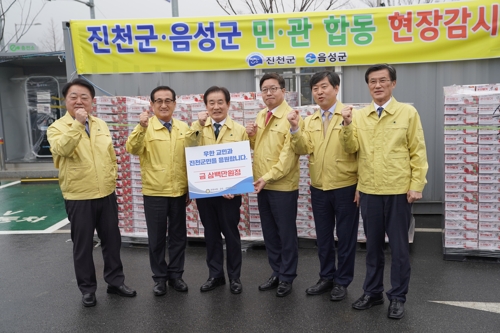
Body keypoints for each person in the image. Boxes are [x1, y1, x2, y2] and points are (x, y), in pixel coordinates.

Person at [340, 64, 428, 319]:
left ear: (393, 83)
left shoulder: (407, 112)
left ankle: (398, 296)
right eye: (372, 81)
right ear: (368, 85)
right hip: (369, 191)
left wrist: (416, 185)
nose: (377, 85)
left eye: (382, 81)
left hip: (398, 191)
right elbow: (351, 149)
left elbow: (418, 150)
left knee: (400, 248)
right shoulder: (358, 115)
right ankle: (373, 292)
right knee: (373, 247)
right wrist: (346, 125)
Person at [47, 78, 136, 307]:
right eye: (73, 97)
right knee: (83, 246)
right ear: (65, 101)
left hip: (106, 193)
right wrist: (77, 123)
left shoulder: (101, 124)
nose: (79, 101)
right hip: (79, 195)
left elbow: (110, 155)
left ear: (92, 101)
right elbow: (62, 149)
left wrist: (113, 176)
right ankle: (87, 289)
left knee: (111, 241)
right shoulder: (57, 127)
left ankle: (115, 282)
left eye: (84, 97)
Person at [287, 71, 359, 301]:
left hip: (346, 185)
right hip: (319, 186)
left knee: (346, 237)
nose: (319, 92)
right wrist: (296, 129)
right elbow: (302, 149)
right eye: (315, 88)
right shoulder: (310, 119)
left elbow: (354, 149)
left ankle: (342, 281)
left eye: (324, 87)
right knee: (324, 237)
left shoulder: (351, 115)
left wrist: (347, 124)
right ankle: (326, 276)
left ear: (336, 88)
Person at [126, 86, 190, 296]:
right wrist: (141, 127)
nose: (164, 105)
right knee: (156, 239)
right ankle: (159, 278)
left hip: (179, 192)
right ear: (151, 105)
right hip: (155, 192)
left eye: (168, 101)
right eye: (159, 101)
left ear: (174, 103)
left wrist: (191, 187)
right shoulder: (145, 127)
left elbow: (191, 158)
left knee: (178, 237)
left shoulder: (183, 127)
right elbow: (132, 149)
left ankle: (176, 275)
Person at [185, 86, 249, 294]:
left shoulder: (238, 130)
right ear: (205, 106)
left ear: (228, 104)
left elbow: (242, 161)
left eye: (220, 102)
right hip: (205, 193)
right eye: (211, 103)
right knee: (211, 235)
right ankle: (215, 275)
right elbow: (189, 148)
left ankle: (235, 277)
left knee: (231, 235)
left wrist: (236, 187)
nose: (216, 106)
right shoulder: (197, 128)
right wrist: (197, 124)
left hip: (230, 195)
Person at [246, 73, 303, 297]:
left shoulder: (292, 117)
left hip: (282, 186)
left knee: (286, 234)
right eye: (265, 90)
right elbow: (259, 148)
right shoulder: (262, 115)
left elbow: (288, 158)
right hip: (263, 185)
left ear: (283, 91)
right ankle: (277, 271)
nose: (269, 93)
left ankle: (287, 277)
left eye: (273, 88)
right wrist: (251, 137)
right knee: (270, 233)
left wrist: (266, 177)